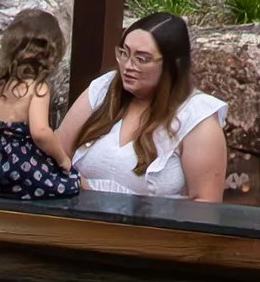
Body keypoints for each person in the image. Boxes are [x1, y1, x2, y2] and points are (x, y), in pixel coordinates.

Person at [50, 11, 228, 202]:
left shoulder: (197, 118)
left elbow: (205, 207)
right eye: (124, 53)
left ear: (172, 65)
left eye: (141, 59)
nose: (128, 66)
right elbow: (56, 152)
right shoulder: (104, 89)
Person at [0, 9, 77, 205]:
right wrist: (62, 159)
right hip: (23, 171)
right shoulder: (38, 87)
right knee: (71, 181)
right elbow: (41, 133)